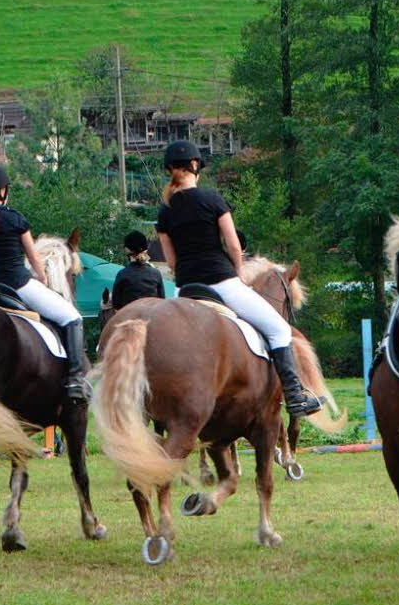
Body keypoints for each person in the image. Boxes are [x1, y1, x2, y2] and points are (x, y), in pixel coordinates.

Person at [155, 141, 320, 417]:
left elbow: (171, 262)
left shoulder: (165, 211)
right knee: (279, 329)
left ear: (169, 170)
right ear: (195, 166)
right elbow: (233, 245)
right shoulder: (213, 200)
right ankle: (295, 397)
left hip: (184, 289)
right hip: (222, 283)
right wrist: (238, 272)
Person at [0, 166, 90, 402]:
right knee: (72, 318)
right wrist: (42, 278)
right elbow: (34, 259)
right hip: (19, 285)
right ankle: (74, 379)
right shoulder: (15, 218)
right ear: (2, 190)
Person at [111, 231, 165, 311]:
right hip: (152, 318)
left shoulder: (122, 274)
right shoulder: (156, 274)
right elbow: (162, 300)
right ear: (145, 249)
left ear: (127, 250)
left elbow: (116, 304)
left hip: (130, 318)